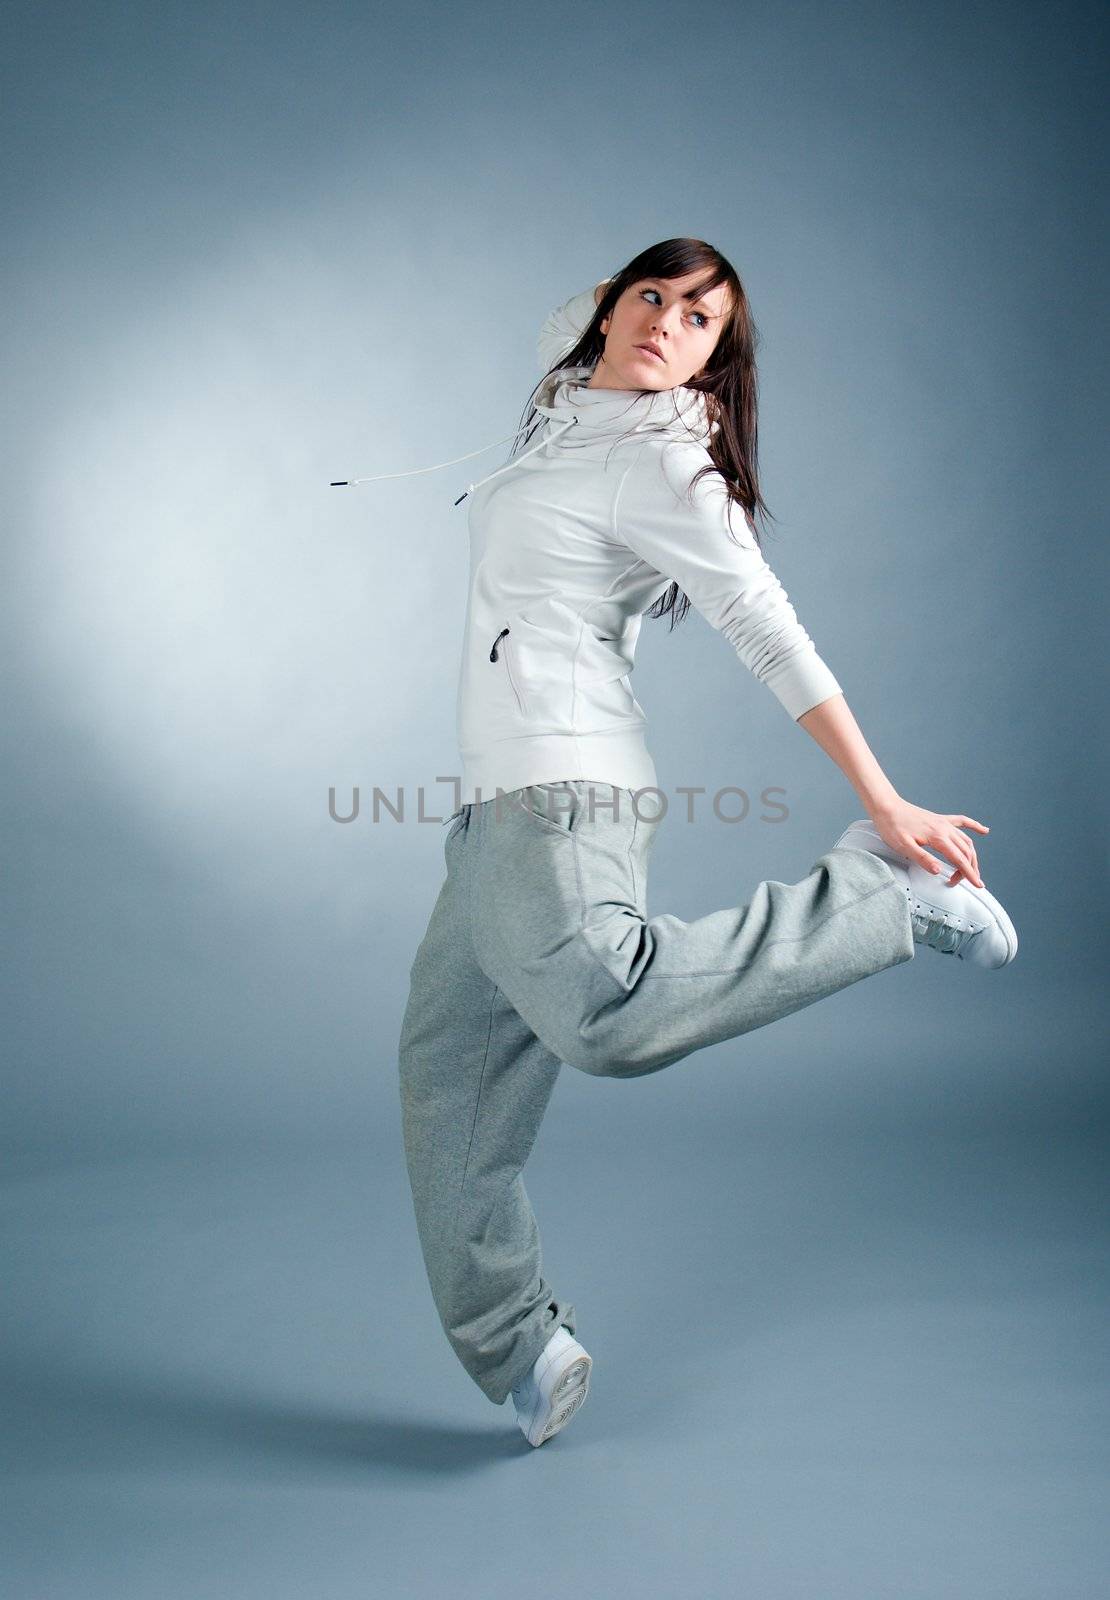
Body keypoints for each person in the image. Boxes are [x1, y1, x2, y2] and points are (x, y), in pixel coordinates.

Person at [396, 237, 1018, 1448]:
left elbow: (767, 627)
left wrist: (889, 802)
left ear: (717, 364)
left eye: (701, 322)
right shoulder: (570, 397)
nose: (666, 324)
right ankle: (521, 1344)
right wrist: (651, 289)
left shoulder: (665, 462)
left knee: (607, 1015)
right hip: (487, 815)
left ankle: (883, 896)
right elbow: (570, 314)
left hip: (565, 789)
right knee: (444, 1095)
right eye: (654, 297)